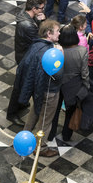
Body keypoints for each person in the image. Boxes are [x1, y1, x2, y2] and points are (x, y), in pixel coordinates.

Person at [18, 20, 63, 157]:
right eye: (57, 31)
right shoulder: (50, 52)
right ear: (49, 33)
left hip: (37, 89)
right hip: (49, 91)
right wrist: (61, 55)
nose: (59, 33)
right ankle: (40, 147)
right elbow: (58, 74)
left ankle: (25, 136)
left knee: (34, 111)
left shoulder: (36, 45)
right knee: (45, 120)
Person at [6, 0, 47, 126]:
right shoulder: (28, 24)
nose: (42, 10)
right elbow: (39, 39)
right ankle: (12, 113)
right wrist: (43, 22)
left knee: (24, 83)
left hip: (24, 53)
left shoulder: (26, 15)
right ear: (34, 8)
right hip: (25, 57)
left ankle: (21, 103)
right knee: (20, 85)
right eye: (41, 8)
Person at [48, 24, 90, 142]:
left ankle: (50, 134)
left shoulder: (56, 50)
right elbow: (84, 72)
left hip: (57, 83)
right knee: (70, 112)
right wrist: (86, 86)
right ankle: (67, 135)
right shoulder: (82, 51)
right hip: (73, 86)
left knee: (54, 111)